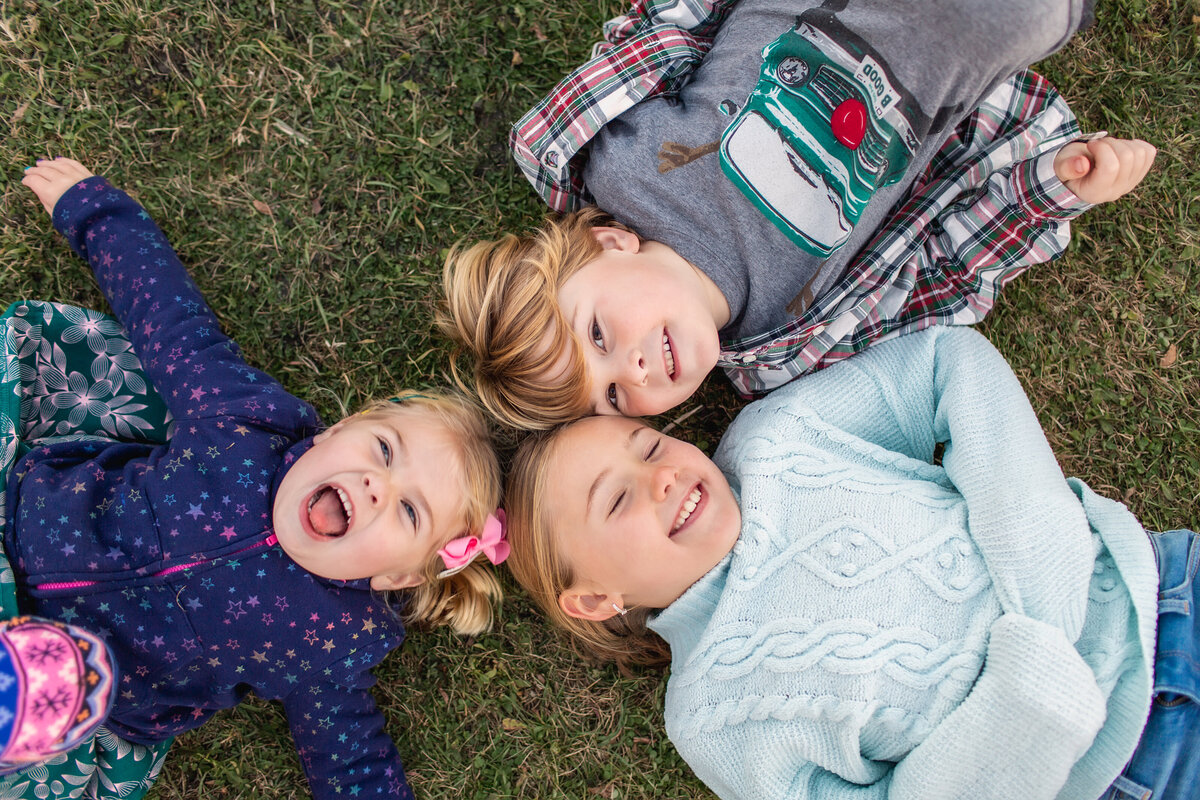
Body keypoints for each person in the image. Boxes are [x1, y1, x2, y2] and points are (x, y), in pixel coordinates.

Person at [503, 324, 1197, 799]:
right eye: (619, 499)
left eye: (650, 446)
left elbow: (944, 362)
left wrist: (1043, 574)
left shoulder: (774, 440)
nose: (661, 477)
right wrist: (1026, 707)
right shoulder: (712, 723)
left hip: (1157, 589)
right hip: (1131, 770)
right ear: (595, 599)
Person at [1, 158, 508, 800]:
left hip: (78, 690)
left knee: (52, 706)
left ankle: (20, 706)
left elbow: (352, 763)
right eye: (382, 449)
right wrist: (94, 210)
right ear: (334, 432)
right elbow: (171, 324)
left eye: (411, 513)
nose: (380, 485)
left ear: (400, 576)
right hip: (19, 522)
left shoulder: (336, 643)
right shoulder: (245, 423)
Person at [441, 0, 1157, 429]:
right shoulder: (785, 351)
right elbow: (939, 274)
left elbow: (676, 21)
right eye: (615, 400)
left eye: (597, 334)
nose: (631, 370)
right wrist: (1052, 189)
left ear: (608, 244)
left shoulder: (619, 165)